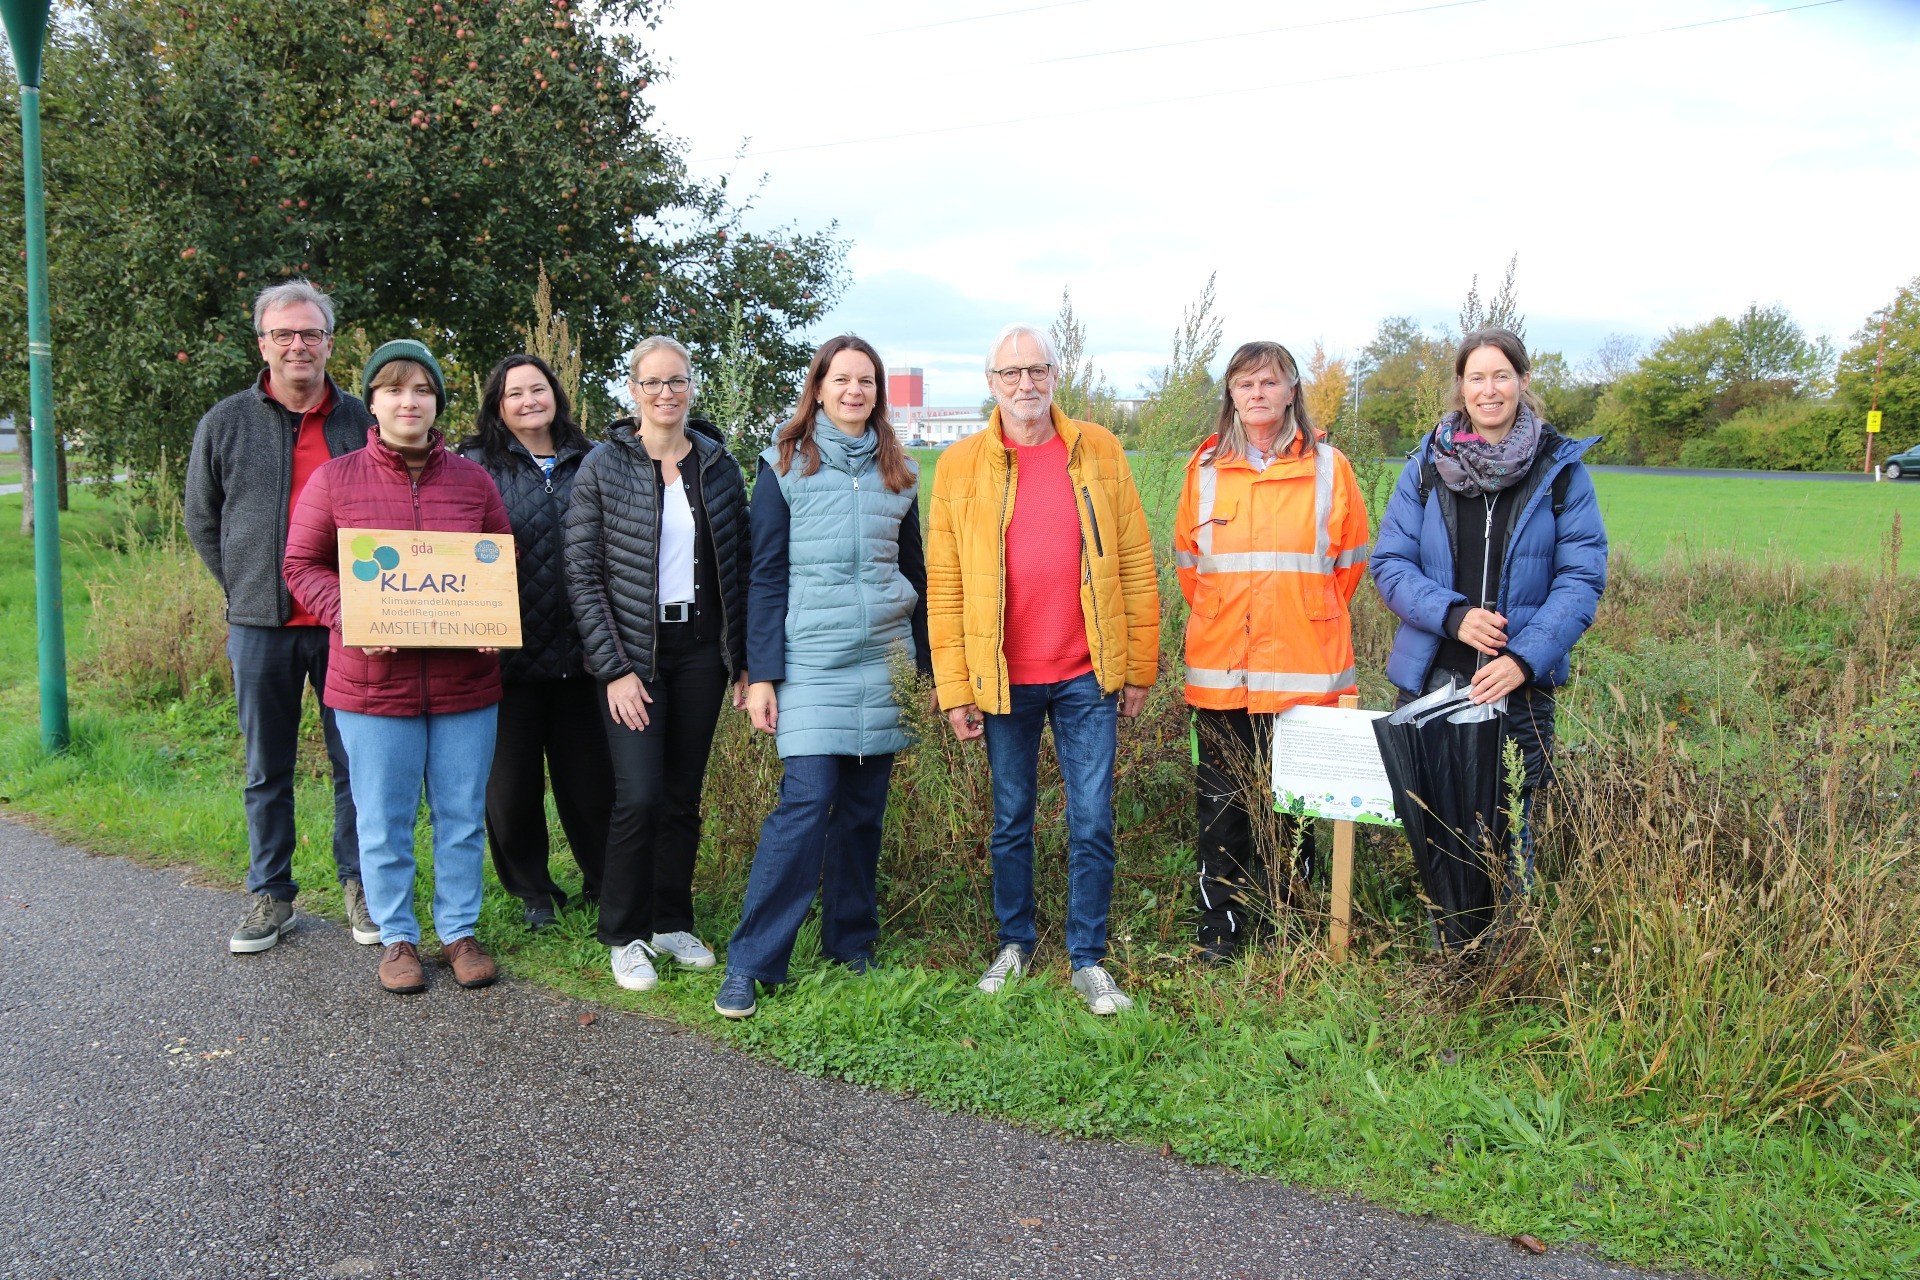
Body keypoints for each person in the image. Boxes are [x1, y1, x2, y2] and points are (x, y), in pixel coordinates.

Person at [926, 324, 1160, 1016]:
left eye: (1037, 370)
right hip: (1002, 678)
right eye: (1011, 373)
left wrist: (1139, 667)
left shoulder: (1098, 449)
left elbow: (1137, 562)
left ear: (1055, 375)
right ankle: (1015, 943)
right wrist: (954, 688)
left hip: (1089, 673)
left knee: (1091, 819)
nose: (1026, 384)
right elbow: (945, 584)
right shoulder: (962, 465)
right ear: (991, 382)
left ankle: (1088, 958)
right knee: (1012, 818)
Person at [282, 340, 512, 995]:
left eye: (421, 390)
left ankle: (459, 931)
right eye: (393, 389)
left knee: (462, 815)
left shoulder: (473, 481)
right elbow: (301, 567)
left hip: (466, 684)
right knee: (382, 818)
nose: (408, 401)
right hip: (369, 686)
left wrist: (494, 619)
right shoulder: (337, 478)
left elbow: (499, 563)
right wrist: (350, 616)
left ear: (437, 401)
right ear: (373, 403)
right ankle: (398, 938)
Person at [712, 335, 930, 1020]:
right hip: (810, 662)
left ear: (878, 393)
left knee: (864, 813)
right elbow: (765, 572)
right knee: (805, 806)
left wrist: (922, 669)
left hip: (883, 658)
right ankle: (751, 962)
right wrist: (763, 674)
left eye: (866, 381)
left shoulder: (902, 472)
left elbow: (913, 571)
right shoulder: (783, 466)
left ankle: (851, 945)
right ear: (819, 387)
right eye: (842, 380)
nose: (854, 392)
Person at [1370, 326, 1608, 877]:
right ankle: (1451, 951)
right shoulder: (1426, 467)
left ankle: (1506, 952)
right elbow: (1390, 565)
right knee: (1435, 832)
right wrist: (1452, 616)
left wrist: (1522, 661)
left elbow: (1581, 580)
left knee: (1509, 830)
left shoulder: (1561, 472)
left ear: (1523, 381)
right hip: (1433, 677)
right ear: (1461, 387)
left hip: (1517, 687)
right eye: (1476, 377)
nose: (1489, 389)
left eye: (1501, 375)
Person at [186, 280, 376, 955]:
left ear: (329, 342)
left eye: (311, 333)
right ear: (262, 343)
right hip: (260, 627)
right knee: (267, 765)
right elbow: (203, 520)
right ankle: (272, 894)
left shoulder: (361, 422)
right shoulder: (226, 422)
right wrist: (246, 588)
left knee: (357, 762)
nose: (298, 344)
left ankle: (361, 886)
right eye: (284, 334)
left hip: (349, 627)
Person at [1173, 341, 1371, 964]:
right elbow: (1191, 569)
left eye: (1269, 382)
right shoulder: (1203, 471)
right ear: (1230, 394)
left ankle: (1293, 920)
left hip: (1303, 672)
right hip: (1222, 672)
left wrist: (1296, 621)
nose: (1256, 394)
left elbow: (1349, 566)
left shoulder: (1330, 469)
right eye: (1244, 384)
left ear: (1292, 392)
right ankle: (1221, 931)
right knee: (1222, 807)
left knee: (1293, 807)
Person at [564, 337, 749, 993]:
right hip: (633, 657)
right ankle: (623, 932)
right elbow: (582, 578)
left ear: (691, 386)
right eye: (652, 383)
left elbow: (740, 569)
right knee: (638, 796)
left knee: (680, 797)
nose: (665, 393)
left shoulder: (718, 466)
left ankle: (671, 920)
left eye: (676, 381)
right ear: (633, 390)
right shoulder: (603, 468)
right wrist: (614, 669)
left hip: (701, 652)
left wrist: (743, 660)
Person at [460, 355, 613, 931]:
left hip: (586, 652)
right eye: (514, 392)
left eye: (538, 388)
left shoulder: (595, 459)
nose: (529, 400)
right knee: (511, 787)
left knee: (593, 784)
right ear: (497, 405)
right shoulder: (474, 465)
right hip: (505, 656)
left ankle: (604, 882)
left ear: (556, 394)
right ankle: (533, 891)